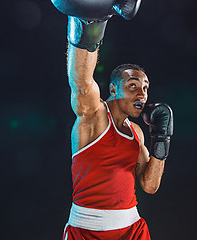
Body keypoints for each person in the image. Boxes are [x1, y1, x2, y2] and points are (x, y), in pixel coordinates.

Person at [51, 0, 173, 239]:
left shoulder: (136, 132)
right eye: (133, 85)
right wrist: (93, 20)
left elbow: (149, 185)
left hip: (131, 229)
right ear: (114, 90)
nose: (142, 93)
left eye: (145, 88)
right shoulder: (94, 116)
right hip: (86, 230)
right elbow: (81, 83)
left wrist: (161, 140)